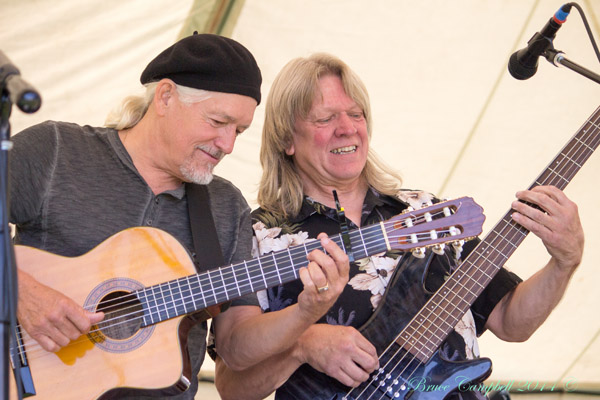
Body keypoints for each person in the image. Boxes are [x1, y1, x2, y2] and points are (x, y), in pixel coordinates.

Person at [212, 53, 585, 400]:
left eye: (356, 114)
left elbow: (510, 321)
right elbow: (231, 384)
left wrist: (564, 262)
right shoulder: (258, 237)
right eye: (325, 119)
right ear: (286, 139)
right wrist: (302, 344)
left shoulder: (428, 213)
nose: (347, 129)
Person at [10, 35, 351, 400]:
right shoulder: (57, 151)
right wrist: (19, 291)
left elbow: (235, 348)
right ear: (166, 97)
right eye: (218, 121)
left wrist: (305, 312)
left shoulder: (225, 207)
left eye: (239, 130)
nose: (228, 144)